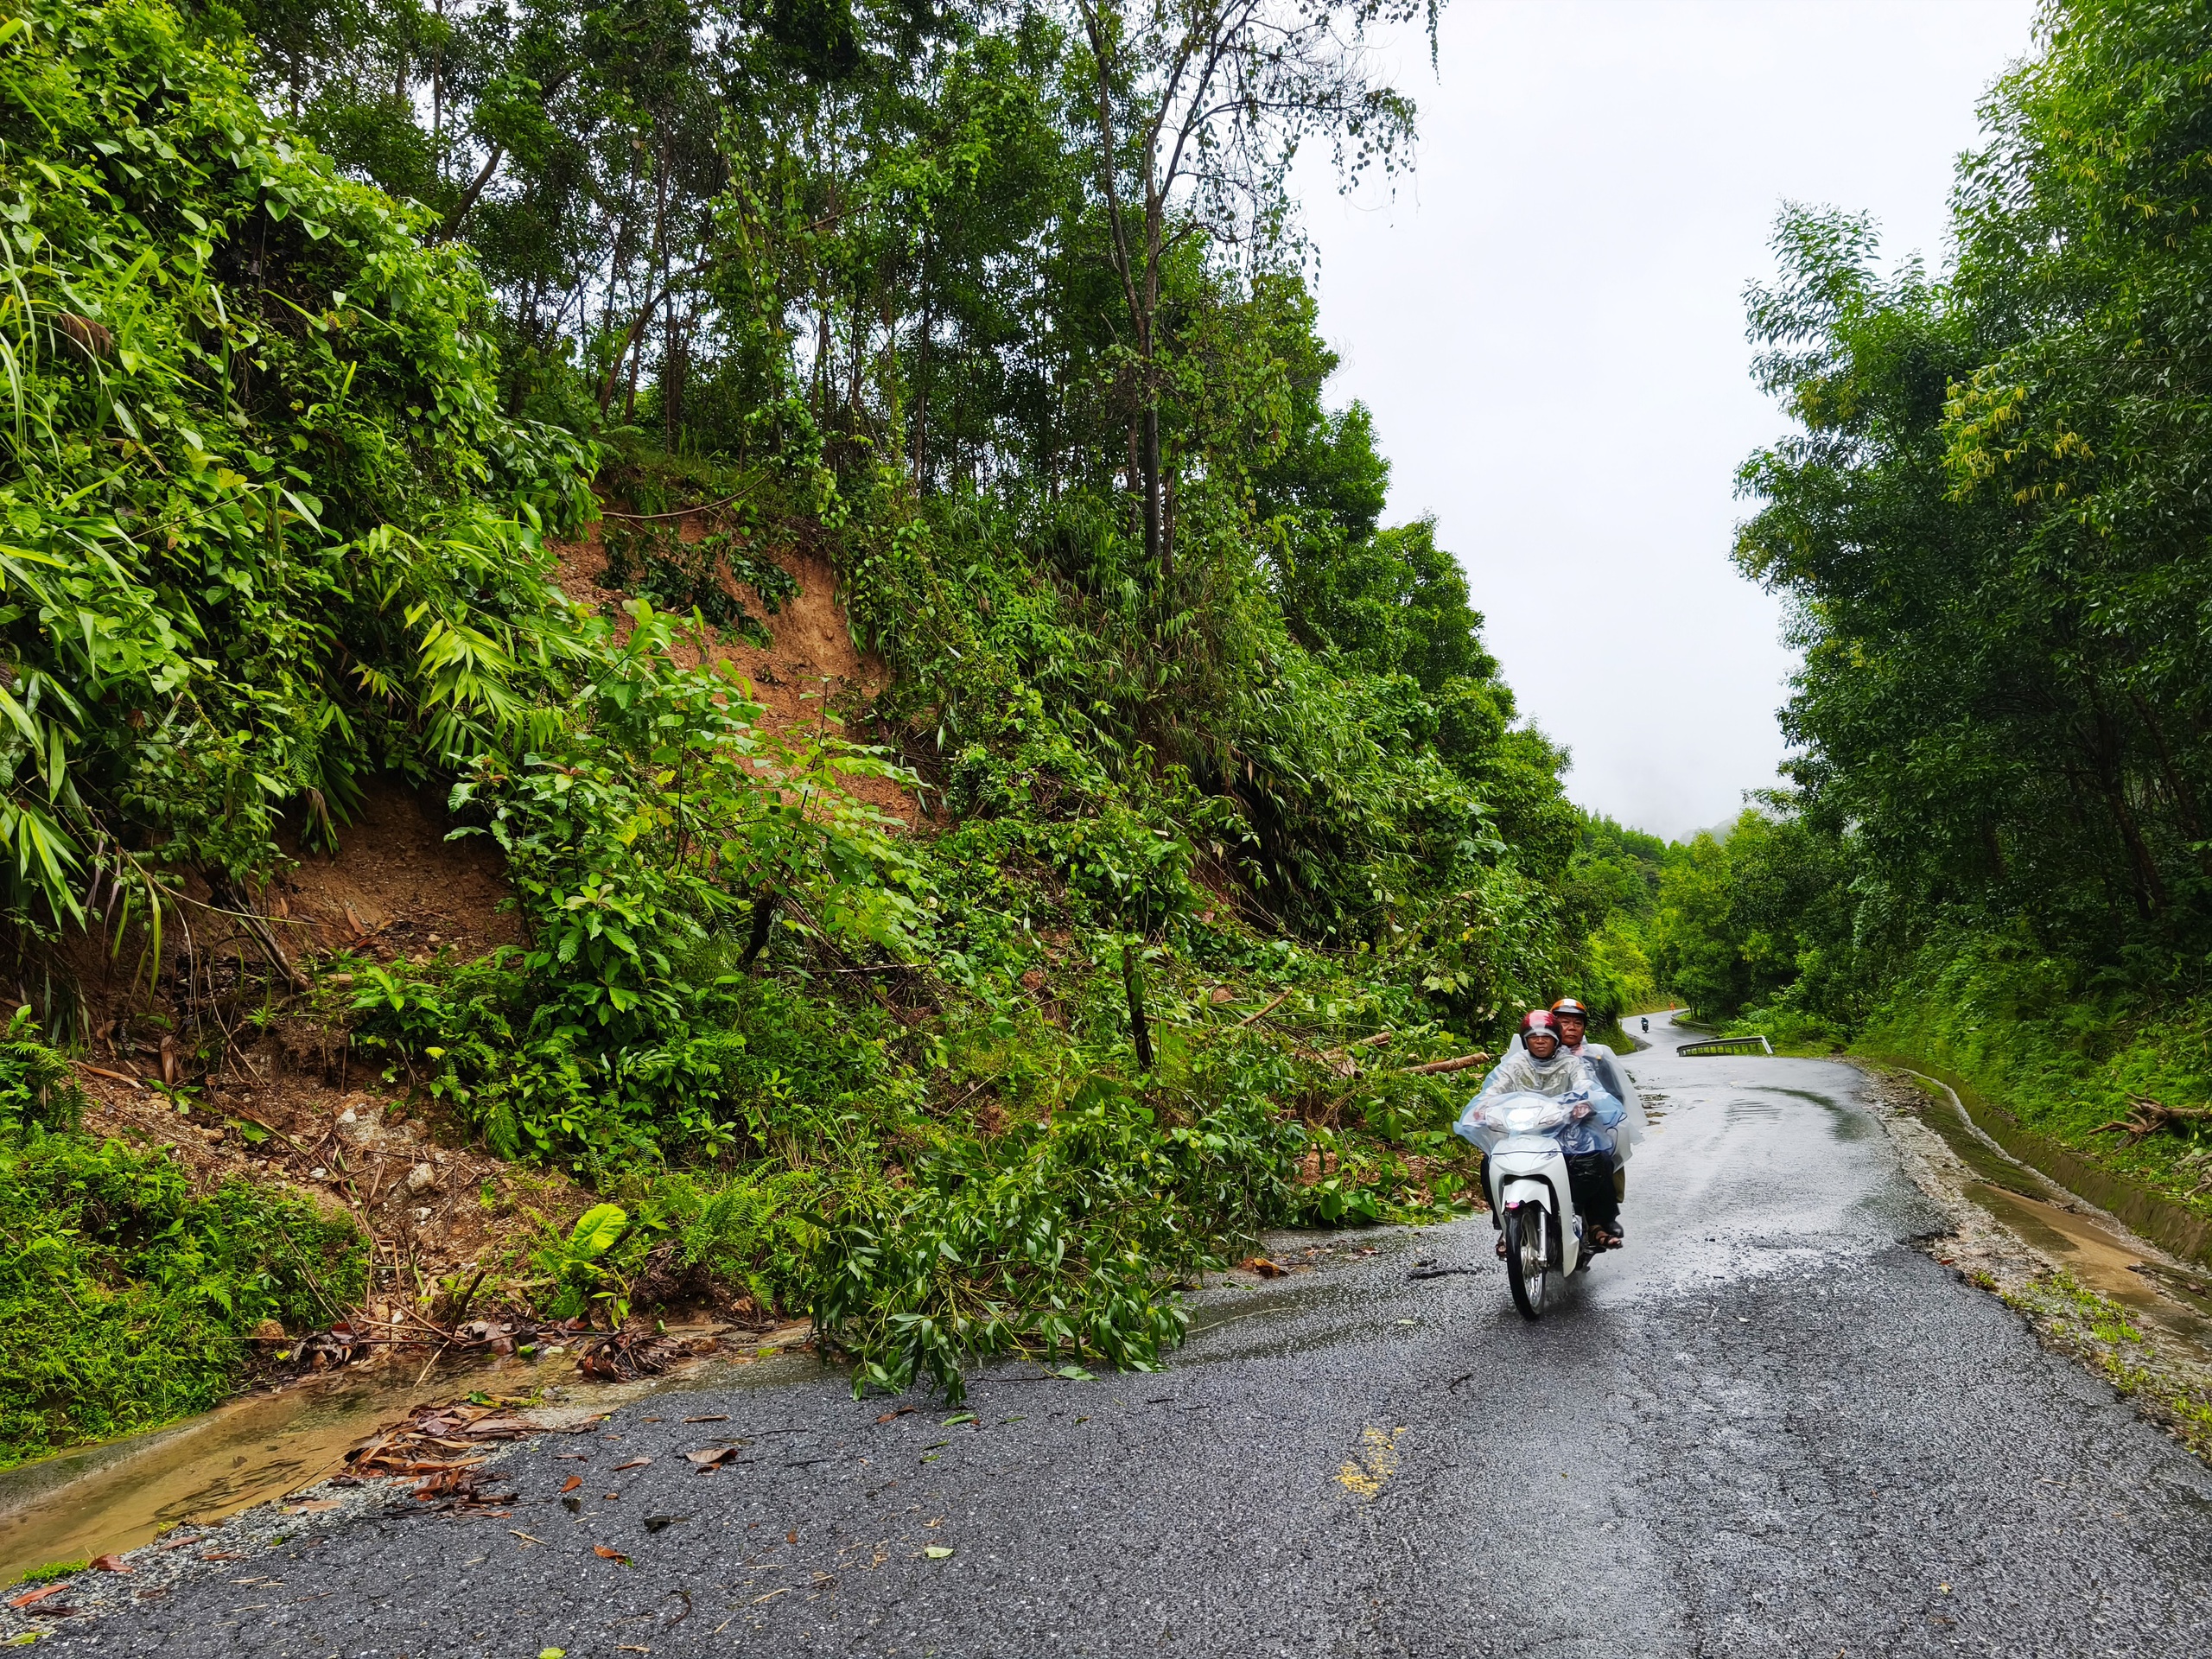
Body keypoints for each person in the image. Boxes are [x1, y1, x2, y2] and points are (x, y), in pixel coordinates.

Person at [1466, 1008, 1626, 1249]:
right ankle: (1504, 1225)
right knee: (1489, 1162)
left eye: (1546, 1036)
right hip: (1521, 1132)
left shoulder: (1571, 1063)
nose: (1540, 1041)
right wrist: (1482, 1108)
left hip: (1567, 1130)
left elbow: (1586, 1085)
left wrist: (1583, 1103)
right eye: (1533, 1036)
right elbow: (1494, 1089)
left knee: (1598, 1158)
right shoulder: (1515, 1064)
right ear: (1525, 1040)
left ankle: (1588, 1217)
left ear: (1556, 1039)